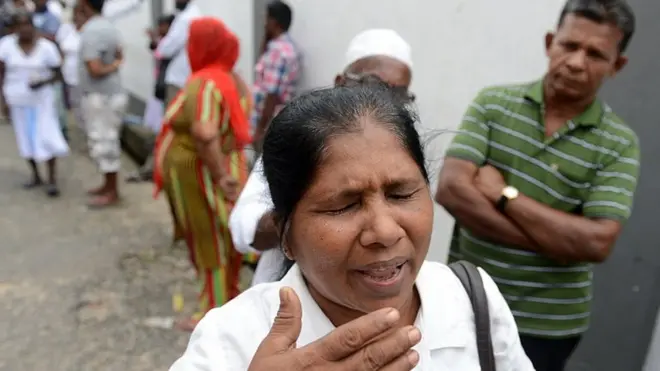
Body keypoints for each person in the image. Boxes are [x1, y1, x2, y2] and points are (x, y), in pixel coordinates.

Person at [169, 83, 534, 370]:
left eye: (402, 194)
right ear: (286, 235)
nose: (386, 231)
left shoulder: (471, 300)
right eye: (344, 206)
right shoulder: (230, 341)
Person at [434, 1, 639, 370]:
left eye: (595, 54)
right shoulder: (494, 105)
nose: (576, 62)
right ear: (550, 42)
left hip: (547, 327)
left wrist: (503, 195)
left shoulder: (619, 144)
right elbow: (451, 190)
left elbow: (597, 242)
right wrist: (554, 242)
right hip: (465, 304)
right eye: (569, 45)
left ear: (617, 65)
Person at [230, 29, 415, 286]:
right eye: (373, 85)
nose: (385, 102)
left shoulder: (405, 151)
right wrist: (310, 217)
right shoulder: (299, 139)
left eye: (399, 94)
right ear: (341, 82)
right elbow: (245, 227)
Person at [152, 17, 253, 332]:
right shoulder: (231, 78)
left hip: (203, 173)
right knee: (227, 236)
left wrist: (220, 176)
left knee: (208, 240)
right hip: (224, 164)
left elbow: (205, 133)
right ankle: (229, 296)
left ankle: (212, 312)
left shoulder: (204, 82)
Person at [0, 10, 67, 196]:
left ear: (33, 25)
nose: (24, 29)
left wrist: (43, 82)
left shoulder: (47, 48)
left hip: (42, 101)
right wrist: (3, 101)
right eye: (19, 25)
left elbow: (58, 74)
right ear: (14, 29)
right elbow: (2, 73)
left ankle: (52, 179)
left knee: (47, 136)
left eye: (27, 24)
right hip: (17, 100)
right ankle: (36, 175)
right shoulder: (6, 46)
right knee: (26, 138)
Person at [78, 0, 127, 208]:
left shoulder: (92, 31)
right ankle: (108, 186)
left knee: (105, 143)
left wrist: (114, 64)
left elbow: (95, 69)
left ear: (86, 5)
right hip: (108, 95)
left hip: (101, 96)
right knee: (106, 141)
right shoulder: (108, 26)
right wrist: (115, 63)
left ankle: (112, 191)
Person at [251, 0, 301, 152]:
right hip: (278, 119)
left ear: (275, 22)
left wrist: (260, 128)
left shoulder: (277, 51)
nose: (264, 23)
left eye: (266, 19)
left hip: (269, 121)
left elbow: (271, 94)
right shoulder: (289, 46)